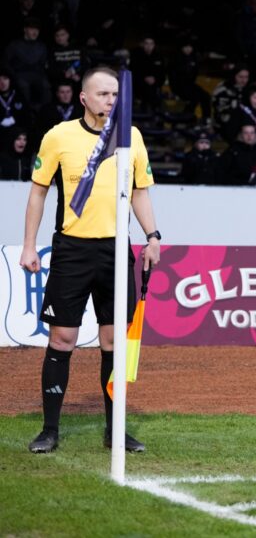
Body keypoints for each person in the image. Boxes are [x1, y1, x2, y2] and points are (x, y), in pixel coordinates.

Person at [20, 66, 161, 454]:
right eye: (102, 95)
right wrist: (29, 245)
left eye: (115, 95)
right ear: (83, 98)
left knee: (114, 340)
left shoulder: (130, 137)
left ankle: (115, 430)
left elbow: (140, 193)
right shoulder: (59, 136)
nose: (110, 101)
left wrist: (152, 236)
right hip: (72, 250)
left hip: (116, 249)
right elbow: (37, 193)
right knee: (62, 338)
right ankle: (50, 429)